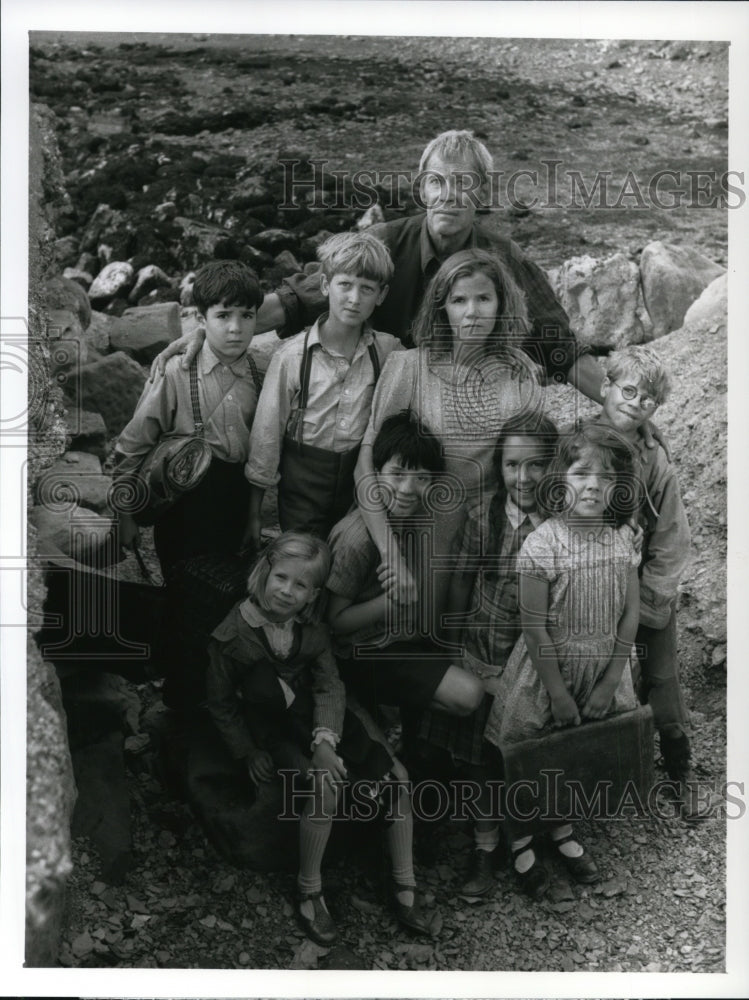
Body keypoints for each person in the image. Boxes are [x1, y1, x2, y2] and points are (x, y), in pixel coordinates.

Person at [152, 130, 634, 424]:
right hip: (378, 403)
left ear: (481, 192)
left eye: (464, 183)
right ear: (422, 187)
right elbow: (299, 296)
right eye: (438, 182)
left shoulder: (503, 257)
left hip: (469, 406)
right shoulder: (384, 241)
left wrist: (614, 402)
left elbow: (557, 344)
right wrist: (207, 334)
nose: (450, 194)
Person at [206, 532, 436, 945]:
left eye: (301, 586)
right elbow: (221, 704)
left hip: (322, 716)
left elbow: (329, 684)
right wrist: (247, 751)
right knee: (324, 787)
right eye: (281, 578)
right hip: (276, 728)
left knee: (397, 777)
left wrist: (325, 740)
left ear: (313, 595)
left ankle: (404, 883)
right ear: (264, 572)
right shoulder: (232, 636)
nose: (287, 592)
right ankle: (309, 888)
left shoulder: (311, 628)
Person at [483, 422, 642, 898]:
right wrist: (555, 691)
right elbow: (533, 626)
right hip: (547, 675)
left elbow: (630, 614)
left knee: (570, 755)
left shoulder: (621, 540)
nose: (593, 484)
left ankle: (562, 828)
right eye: (580, 473)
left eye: (606, 476)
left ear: (618, 486)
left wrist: (611, 679)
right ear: (560, 480)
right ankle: (522, 836)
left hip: (600, 671)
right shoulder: (542, 545)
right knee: (533, 753)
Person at [354, 247, 545, 622]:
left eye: (483, 298)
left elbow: (537, 461)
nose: (472, 311)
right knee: (405, 627)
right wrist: (390, 554)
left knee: (469, 635)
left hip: (485, 530)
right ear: (442, 308)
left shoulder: (520, 372)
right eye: (459, 300)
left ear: (501, 304)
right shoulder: (410, 367)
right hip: (410, 523)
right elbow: (367, 465)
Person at [417, 412, 559, 897]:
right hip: (484, 649)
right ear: (498, 465)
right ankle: (483, 847)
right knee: (479, 759)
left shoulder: (564, 526)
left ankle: (528, 840)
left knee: (520, 754)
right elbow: (460, 581)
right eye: (512, 464)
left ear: (554, 466)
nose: (523, 478)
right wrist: (454, 650)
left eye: (537, 465)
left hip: (534, 661)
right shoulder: (484, 516)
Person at [597, 345, 710, 822]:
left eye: (648, 400)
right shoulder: (573, 443)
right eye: (628, 391)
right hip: (585, 586)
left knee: (660, 675)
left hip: (640, 585)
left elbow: (670, 536)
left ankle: (679, 768)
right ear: (605, 387)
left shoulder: (655, 462)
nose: (636, 403)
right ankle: (599, 774)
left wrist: (649, 600)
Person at [326, 410, 484, 737]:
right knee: (469, 694)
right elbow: (334, 622)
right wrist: (390, 604)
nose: (408, 488)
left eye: (422, 478)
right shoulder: (356, 539)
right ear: (375, 473)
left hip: (396, 638)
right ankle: (364, 704)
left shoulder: (408, 520)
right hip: (360, 652)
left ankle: (398, 720)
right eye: (397, 474)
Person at [244, 231, 401, 541]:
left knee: (345, 565)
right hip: (300, 497)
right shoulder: (291, 357)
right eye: (345, 285)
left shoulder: (389, 352)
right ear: (326, 285)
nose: (355, 299)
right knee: (303, 568)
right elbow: (266, 438)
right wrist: (254, 516)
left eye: (367, 289)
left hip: (357, 496)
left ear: (381, 295)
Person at [114, 259, 263, 576]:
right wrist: (125, 515)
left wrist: (253, 515)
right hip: (183, 501)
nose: (236, 328)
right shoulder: (175, 371)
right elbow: (133, 443)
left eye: (246, 316)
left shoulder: (260, 372)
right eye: (223, 316)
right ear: (200, 318)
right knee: (180, 583)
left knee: (223, 586)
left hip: (235, 498)